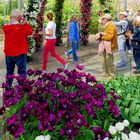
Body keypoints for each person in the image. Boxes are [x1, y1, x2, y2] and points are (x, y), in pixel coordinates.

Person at [2, 9, 33, 87]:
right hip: (20, 53)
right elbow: (30, 32)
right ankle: (22, 90)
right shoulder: (21, 27)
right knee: (22, 72)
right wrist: (25, 23)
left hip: (9, 53)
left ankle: (8, 89)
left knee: (9, 72)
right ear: (19, 17)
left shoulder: (6, 27)